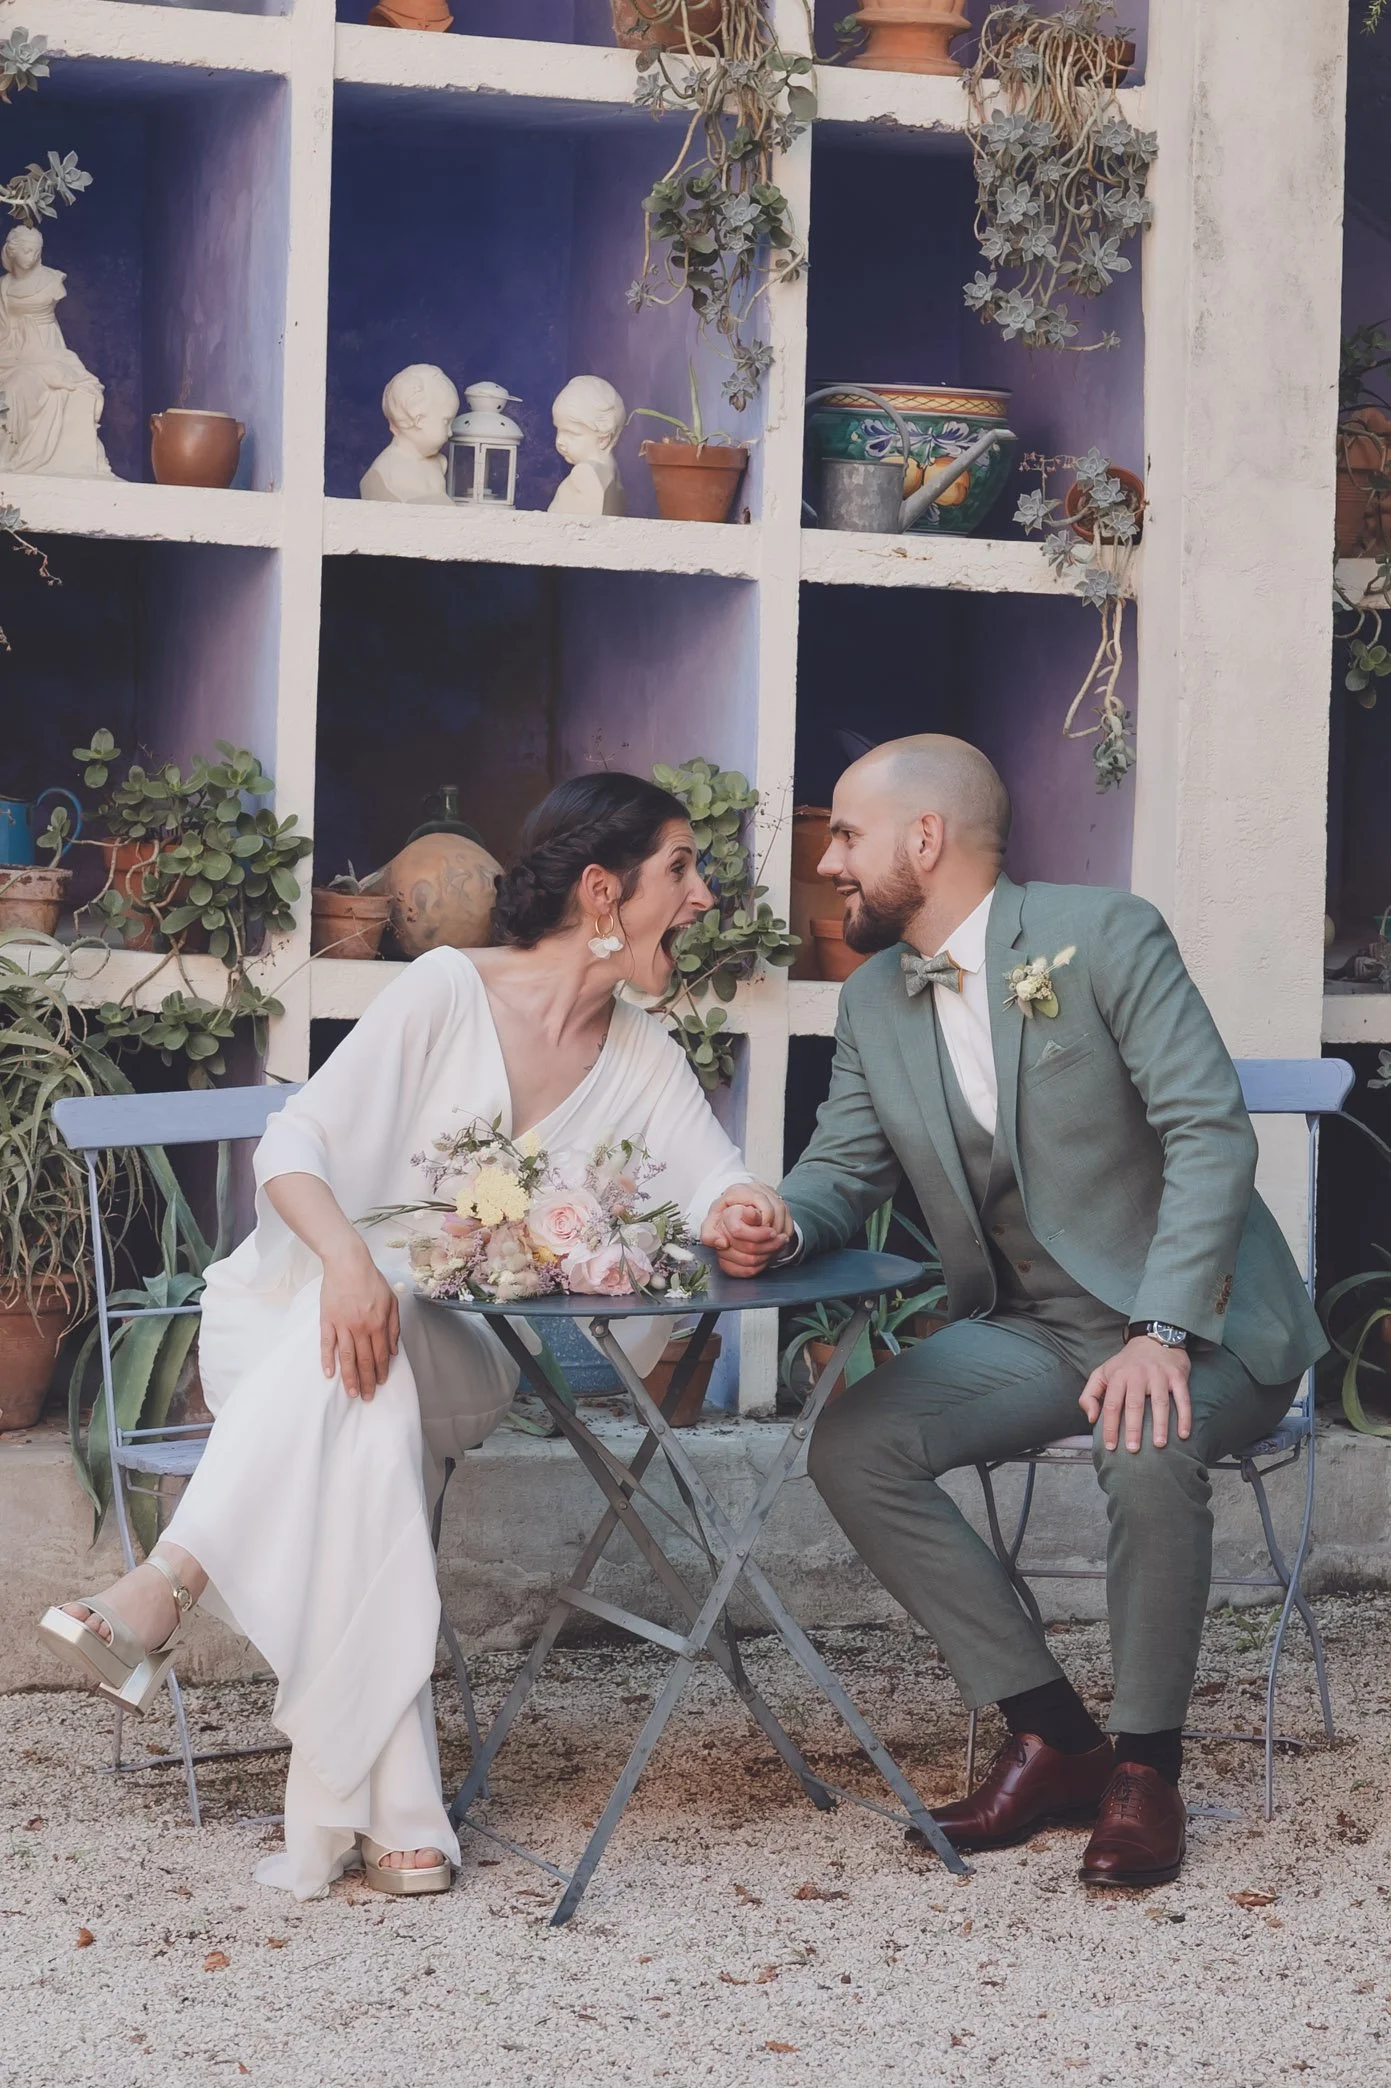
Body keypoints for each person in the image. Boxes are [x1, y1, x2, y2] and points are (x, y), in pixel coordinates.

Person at [39, 774, 767, 1900]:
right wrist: (343, 1266)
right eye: (681, 866)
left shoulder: (640, 1056)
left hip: (454, 1364)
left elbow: (722, 1185)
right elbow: (292, 1145)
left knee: (385, 1344)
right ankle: (401, 1821)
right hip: (296, 1324)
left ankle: (165, 1582)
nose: (705, 895)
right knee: (367, 1400)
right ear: (600, 891)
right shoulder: (442, 989)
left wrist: (744, 1213)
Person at [702, 734, 1325, 1890]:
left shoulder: (1104, 934)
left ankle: (1146, 1770)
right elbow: (843, 1172)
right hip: (1039, 1326)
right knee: (855, 1443)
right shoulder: (875, 1003)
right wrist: (775, 1222)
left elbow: (1208, 1133)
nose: (828, 862)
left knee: (1146, 1444)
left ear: (922, 840)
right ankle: (1054, 1737)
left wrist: (1160, 1332)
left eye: (844, 834)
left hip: (1207, 1323)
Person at [0, 225, 115, 478]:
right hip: (12, 352)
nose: (32, 256)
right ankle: (9, 457)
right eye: (27, 251)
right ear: (12, 252)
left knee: (29, 385)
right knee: (9, 388)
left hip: (47, 349)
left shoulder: (52, 279)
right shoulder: (3, 287)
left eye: (36, 251)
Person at [358, 364, 458, 504]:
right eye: (446, 422)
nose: (450, 432)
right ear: (419, 420)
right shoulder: (384, 473)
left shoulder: (439, 463)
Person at [547, 375, 627, 517]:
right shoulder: (612, 473)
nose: (560, 441)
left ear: (603, 438)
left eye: (571, 433)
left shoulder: (585, 473)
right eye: (559, 430)